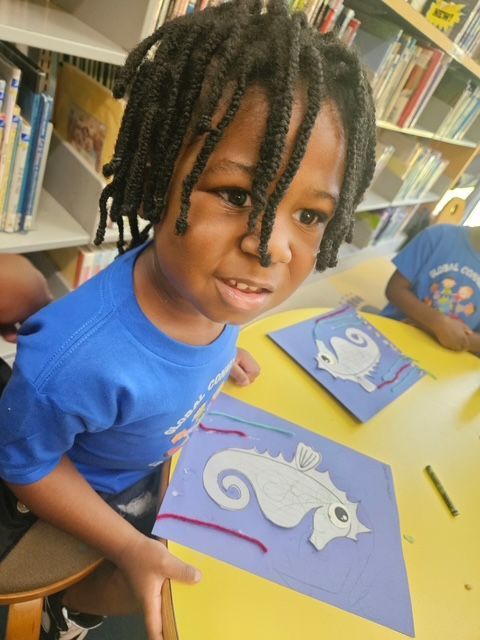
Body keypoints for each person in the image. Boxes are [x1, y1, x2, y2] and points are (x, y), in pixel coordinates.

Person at [0, 1, 376, 639]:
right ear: (159, 177)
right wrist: (125, 546)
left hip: (155, 472)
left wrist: (221, 348)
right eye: (235, 196)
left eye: (309, 216)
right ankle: (74, 612)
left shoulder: (211, 289)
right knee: (160, 592)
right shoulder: (80, 358)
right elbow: (23, 464)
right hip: (76, 503)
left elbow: (184, 343)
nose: (271, 247)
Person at [382, 223, 480, 354]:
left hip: (448, 357)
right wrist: (436, 322)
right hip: (393, 336)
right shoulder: (438, 236)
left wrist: (463, 340)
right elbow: (394, 289)